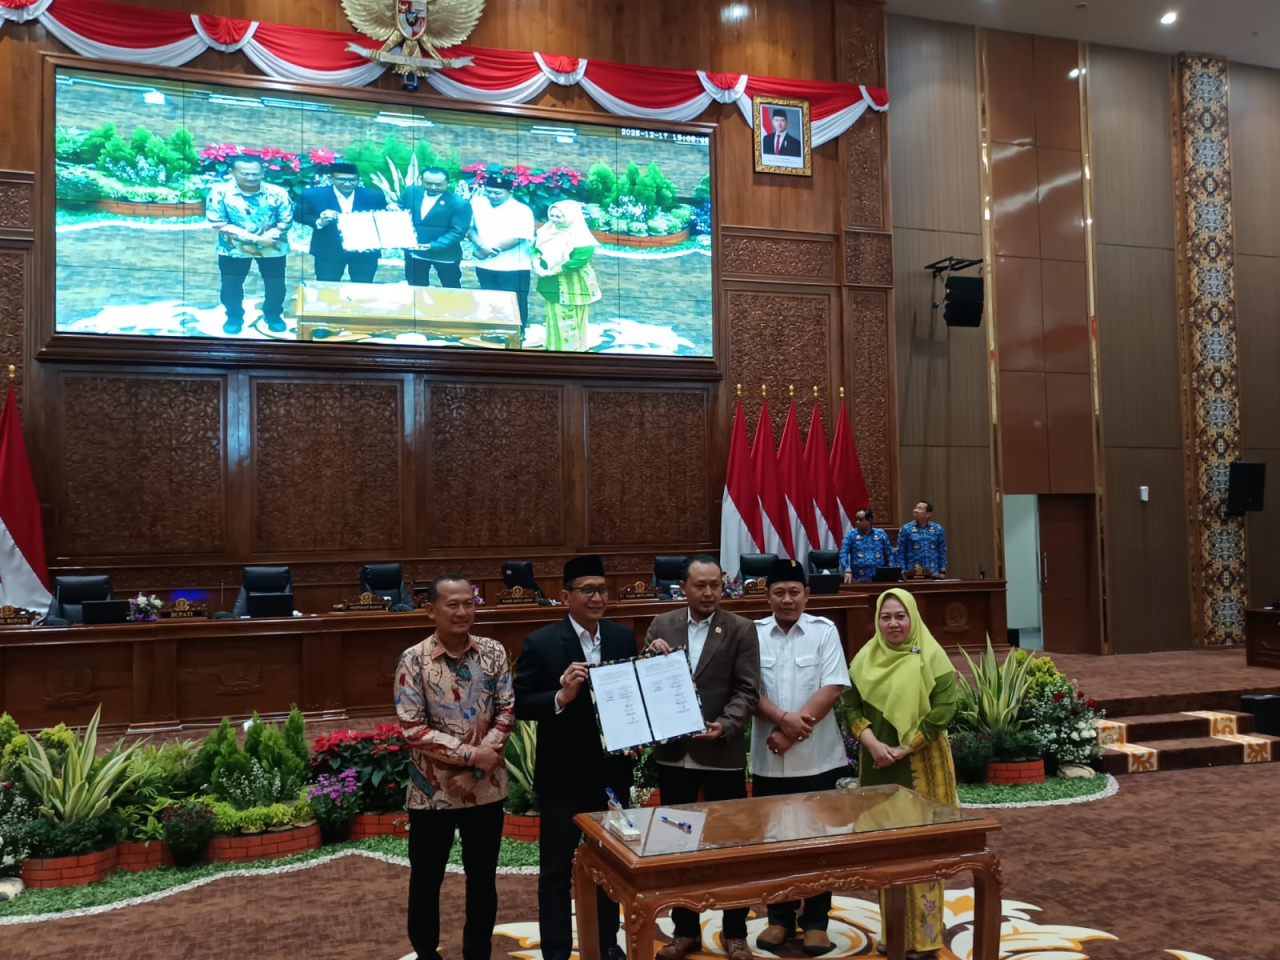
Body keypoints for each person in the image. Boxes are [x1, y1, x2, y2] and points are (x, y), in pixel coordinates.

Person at [514, 556, 635, 960]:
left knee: (610, 866)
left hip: (611, 775)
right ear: (566, 596)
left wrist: (635, 735)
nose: (597, 597)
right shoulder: (542, 642)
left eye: (602, 589)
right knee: (555, 871)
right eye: (587, 590)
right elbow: (520, 703)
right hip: (562, 778)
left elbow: (630, 698)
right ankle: (556, 951)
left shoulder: (621, 637)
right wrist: (561, 696)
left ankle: (606, 945)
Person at [644, 554, 760, 960]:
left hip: (720, 752)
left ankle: (735, 931)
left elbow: (747, 690)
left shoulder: (741, 628)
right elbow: (646, 682)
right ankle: (685, 931)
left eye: (715, 585)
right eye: (700, 585)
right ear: (683, 588)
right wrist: (650, 657)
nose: (709, 592)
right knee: (677, 846)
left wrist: (724, 725)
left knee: (730, 846)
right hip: (674, 754)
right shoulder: (662, 625)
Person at [394, 572, 514, 960]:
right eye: (453, 605)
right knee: (426, 880)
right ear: (431, 611)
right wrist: (470, 756)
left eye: (469, 603)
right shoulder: (413, 660)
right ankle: (426, 953)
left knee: (482, 880)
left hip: (486, 789)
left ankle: (477, 953)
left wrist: (478, 770)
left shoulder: (494, 652)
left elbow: (506, 712)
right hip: (432, 794)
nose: (462, 612)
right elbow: (413, 729)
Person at [840, 588, 958, 960]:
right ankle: (893, 933)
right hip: (878, 765)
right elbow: (850, 705)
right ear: (877, 621)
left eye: (900, 616)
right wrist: (873, 744)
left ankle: (925, 939)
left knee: (923, 851)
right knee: (887, 851)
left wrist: (906, 747)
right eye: (886, 617)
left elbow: (945, 707)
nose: (893, 624)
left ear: (913, 619)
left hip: (923, 763)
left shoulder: (932, 656)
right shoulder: (864, 659)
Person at [751, 559, 850, 957]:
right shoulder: (754, 634)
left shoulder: (825, 632)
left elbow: (832, 687)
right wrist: (782, 720)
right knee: (775, 842)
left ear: (807, 595)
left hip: (817, 760)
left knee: (819, 842)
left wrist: (790, 732)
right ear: (768, 596)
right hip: (769, 760)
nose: (787, 599)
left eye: (794, 592)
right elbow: (748, 690)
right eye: (779, 592)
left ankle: (816, 922)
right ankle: (779, 918)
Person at [205, 154, 293, 335]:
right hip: (233, 248)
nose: (251, 178)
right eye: (245, 174)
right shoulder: (219, 192)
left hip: (272, 246)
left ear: (263, 173)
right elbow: (218, 223)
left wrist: (268, 238)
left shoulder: (278, 192)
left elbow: (286, 220)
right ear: (232, 172)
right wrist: (257, 240)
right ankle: (234, 317)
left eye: (256, 174)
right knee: (231, 285)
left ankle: (273, 315)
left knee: (275, 284)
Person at [532, 200, 602, 352]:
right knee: (554, 313)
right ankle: (554, 346)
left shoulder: (582, 238)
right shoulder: (547, 230)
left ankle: (572, 350)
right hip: (551, 281)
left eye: (559, 216)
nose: (554, 220)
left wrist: (552, 271)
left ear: (571, 216)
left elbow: (577, 261)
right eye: (552, 215)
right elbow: (536, 249)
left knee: (572, 316)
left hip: (574, 283)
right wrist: (536, 263)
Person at [299, 162, 387, 282]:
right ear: (332, 178)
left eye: (352, 180)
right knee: (327, 286)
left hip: (365, 251)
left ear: (358, 179)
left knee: (363, 286)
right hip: (329, 250)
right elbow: (299, 215)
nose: (347, 183)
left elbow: (382, 219)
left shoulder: (374, 196)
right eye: (341, 180)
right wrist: (319, 221)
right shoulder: (313, 195)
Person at [468, 175, 534, 333]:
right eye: (489, 192)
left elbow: (520, 236)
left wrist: (489, 251)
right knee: (489, 298)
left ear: (510, 192)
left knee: (515, 301)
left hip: (513, 266)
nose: (492, 196)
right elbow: (469, 228)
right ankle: (492, 330)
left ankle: (516, 333)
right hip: (484, 265)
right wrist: (481, 246)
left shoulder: (521, 210)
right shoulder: (476, 203)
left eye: (497, 193)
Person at [400, 166, 472, 288]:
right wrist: (395, 207)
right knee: (416, 287)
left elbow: (458, 231)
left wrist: (433, 245)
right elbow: (401, 207)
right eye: (428, 183)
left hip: (445, 255)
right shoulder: (411, 192)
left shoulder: (459, 204)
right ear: (421, 180)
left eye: (438, 184)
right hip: (415, 252)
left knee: (451, 287)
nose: (433, 187)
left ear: (447, 183)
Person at [839, 508, 895, 583]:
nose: (857, 522)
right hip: (858, 577)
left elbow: (889, 553)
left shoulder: (880, 534)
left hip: (879, 577)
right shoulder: (851, 535)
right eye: (856, 519)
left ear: (869, 520)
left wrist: (892, 571)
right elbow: (843, 553)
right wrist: (847, 569)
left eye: (860, 520)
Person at [897, 501, 947, 578]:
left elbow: (942, 551)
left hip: (933, 572)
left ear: (928, 514)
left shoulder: (938, 529)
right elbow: (900, 552)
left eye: (920, 508)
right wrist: (902, 571)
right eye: (915, 508)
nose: (915, 510)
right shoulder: (906, 529)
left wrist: (942, 571)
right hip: (912, 573)